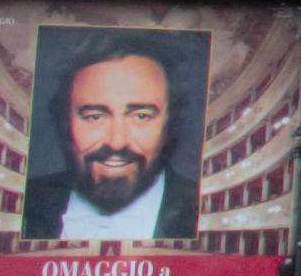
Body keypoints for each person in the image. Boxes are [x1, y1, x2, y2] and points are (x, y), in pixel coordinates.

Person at [23, 34, 196, 240]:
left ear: (170, 124)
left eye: (141, 116)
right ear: (64, 122)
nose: (117, 142)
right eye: (94, 117)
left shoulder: (204, 209)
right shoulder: (23, 202)